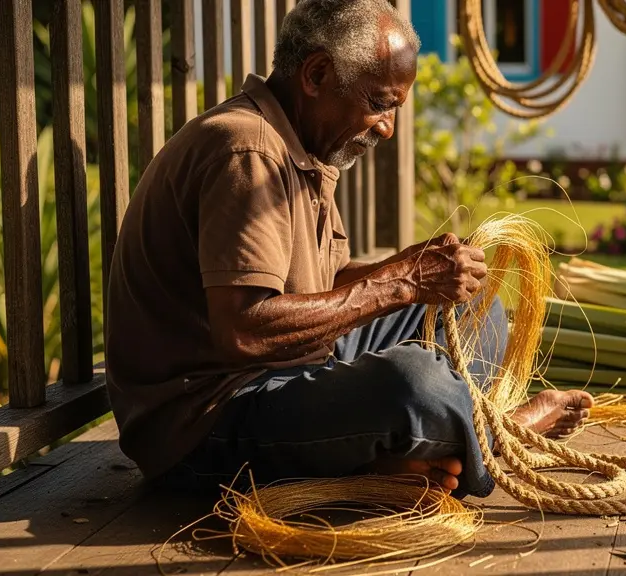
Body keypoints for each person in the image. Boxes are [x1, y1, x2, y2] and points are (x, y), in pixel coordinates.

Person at [104, 0, 593, 499]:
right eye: (380, 103)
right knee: (415, 385)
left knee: (476, 308)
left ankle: (427, 448)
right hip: (204, 425)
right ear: (316, 74)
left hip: (288, 370)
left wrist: (417, 273)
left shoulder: (300, 145)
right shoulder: (246, 151)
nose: (387, 128)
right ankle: (502, 436)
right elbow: (246, 331)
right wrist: (402, 280)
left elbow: (327, 287)